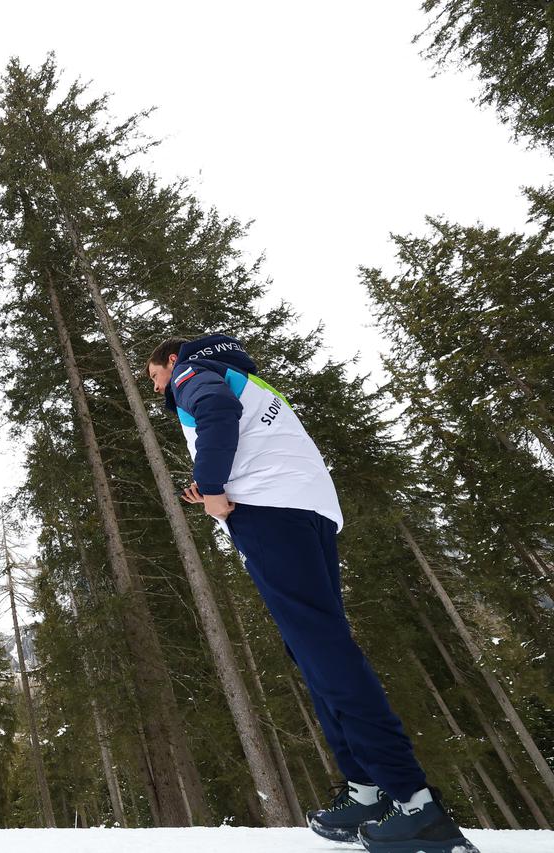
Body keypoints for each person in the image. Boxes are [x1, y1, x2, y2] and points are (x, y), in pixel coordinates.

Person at [146, 334, 477, 853]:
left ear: (172, 360)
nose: (159, 386)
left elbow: (212, 412)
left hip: (271, 513)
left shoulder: (192, 374)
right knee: (313, 646)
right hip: (307, 510)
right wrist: (212, 482)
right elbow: (247, 433)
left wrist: (212, 491)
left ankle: (416, 806)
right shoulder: (247, 380)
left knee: (323, 651)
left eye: (154, 375)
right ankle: (367, 790)